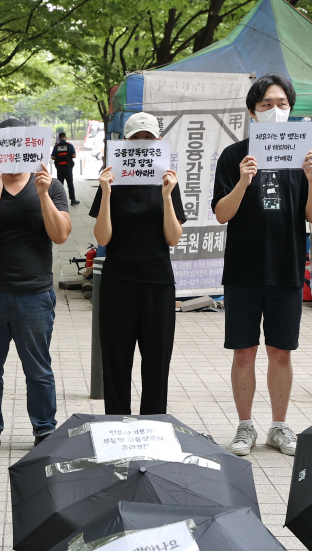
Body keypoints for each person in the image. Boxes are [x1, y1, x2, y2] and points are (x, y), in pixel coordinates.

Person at [212, 74, 312, 456]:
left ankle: (279, 426)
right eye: (266, 105)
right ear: (252, 111)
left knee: (281, 351)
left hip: (288, 267)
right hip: (244, 269)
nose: (274, 111)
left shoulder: (304, 154)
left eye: (281, 104)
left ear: (291, 109)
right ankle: (245, 427)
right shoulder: (234, 155)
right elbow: (221, 214)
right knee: (244, 351)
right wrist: (243, 182)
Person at [0, 118, 71, 455]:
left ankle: (44, 428)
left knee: (38, 368)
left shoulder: (51, 187)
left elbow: (61, 234)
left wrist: (43, 195)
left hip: (35, 294)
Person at [91, 111, 186, 417]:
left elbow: (173, 238)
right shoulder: (112, 180)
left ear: (158, 142)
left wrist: (168, 197)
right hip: (118, 282)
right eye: (136, 139)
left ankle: (153, 427)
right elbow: (102, 237)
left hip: (157, 283)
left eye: (149, 138)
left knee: (157, 364)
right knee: (116, 363)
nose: (143, 145)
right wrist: (106, 193)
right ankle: (116, 427)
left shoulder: (167, 181)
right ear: (125, 143)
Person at [52, 131, 79, 205]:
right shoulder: (69, 145)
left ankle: (59, 201)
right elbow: (74, 156)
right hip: (68, 168)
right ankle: (73, 200)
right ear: (65, 138)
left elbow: (53, 157)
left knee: (60, 185)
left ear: (59, 138)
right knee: (70, 184)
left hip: (59, 168)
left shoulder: (56, 146)